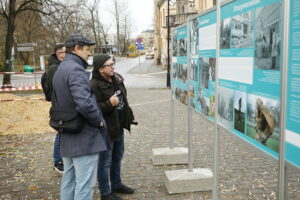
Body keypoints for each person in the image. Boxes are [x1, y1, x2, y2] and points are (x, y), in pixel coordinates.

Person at [52, 34, 110, 200]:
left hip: (68, 133)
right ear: (77, 48)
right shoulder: (76, 70)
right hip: (84, 137)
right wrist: (98, 121)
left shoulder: (61, 68)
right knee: (84, 184)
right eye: (87, 49)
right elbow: (84, 103)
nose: (89, 54)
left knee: (69, 180)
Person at [91, 54, 135, 200]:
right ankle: (105, 193)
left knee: (117, 157)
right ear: (101, 69)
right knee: (105, 162)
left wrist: (129, 116)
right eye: (110, 65)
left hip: (119, 126)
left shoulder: (117, 79)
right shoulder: (93, 85)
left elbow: (124, 99)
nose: (113, 67)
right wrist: (110, 104)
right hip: (106, 130)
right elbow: (93, 109)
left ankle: (116, 184)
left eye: (113, 64)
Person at [47, 43, 66, 174]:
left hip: (63, 104)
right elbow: (57, 88)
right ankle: (57, 161)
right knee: (60, 133)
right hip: (59, 105)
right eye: (65, 52)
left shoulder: (61, 66)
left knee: (64, 132)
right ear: (59, 54)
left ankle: (62, 159)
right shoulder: (55, 68)